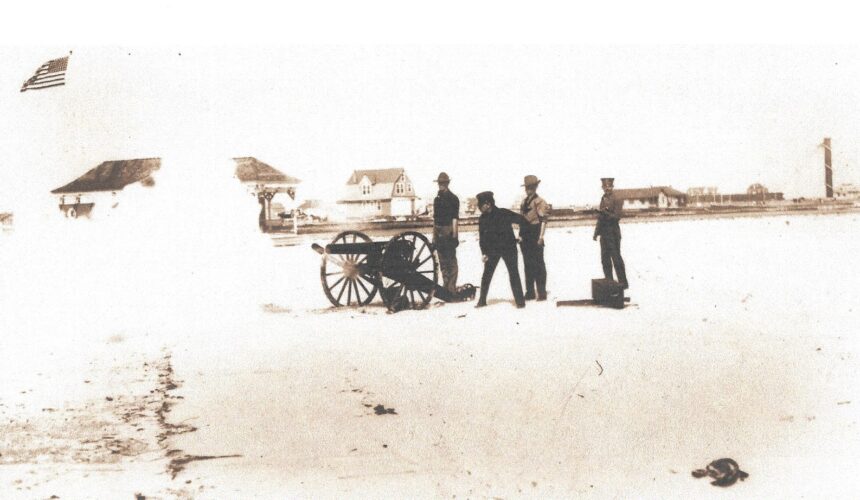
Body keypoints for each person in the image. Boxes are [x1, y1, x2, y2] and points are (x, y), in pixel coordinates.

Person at [475, 191, 527, 308]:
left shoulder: (504, 213)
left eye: (480, 205)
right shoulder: (482, 219)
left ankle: (520, 303)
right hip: (492, 251)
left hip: (509, 248)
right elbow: (482, 238)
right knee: (486, 275)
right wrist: (484, 253)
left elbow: (523, 221)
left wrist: (521, 236)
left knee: (514, 274)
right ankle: (482, 301)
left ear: (488, 204)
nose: (479, 208)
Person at [593, 177, 628, 289]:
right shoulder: (603, 198)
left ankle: (623, 283)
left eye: (609, 186)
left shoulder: (617, 198)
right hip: (604, 233)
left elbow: (617, 217)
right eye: (604, 187)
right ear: (602, 188)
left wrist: (605, 213)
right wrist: (596, 233)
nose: (607, 188)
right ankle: (609, 281)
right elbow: (600, 218)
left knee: (616, 258)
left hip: (613, 232)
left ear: (612, 186)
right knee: (605, 259)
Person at [519, 175, 549, 301]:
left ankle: (541, 292)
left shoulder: (540, 202)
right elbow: (521, 219)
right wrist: (520, 235)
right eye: (527, 187)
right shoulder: (523, 202)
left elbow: (543, 220)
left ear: (536, 187)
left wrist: (541, 237)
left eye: (531, 187)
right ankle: (530, 292)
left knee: (538, 265)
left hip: (535, 232)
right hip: (525, 234)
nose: (528, 190)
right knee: (527, 264)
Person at [432, 172, 459, 295]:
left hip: (448, 230)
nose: (441, 185)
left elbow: (454, 219)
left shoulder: (453, 199)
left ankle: (451, 287)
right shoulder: (437, 199)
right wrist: (434, 237)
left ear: (447, 183)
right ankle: (445, 286)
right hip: (438, 231)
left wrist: (454, 236)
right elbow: (435, 220)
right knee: (442, 261)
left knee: (451, 261)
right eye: (439, 183)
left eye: (443, 183)